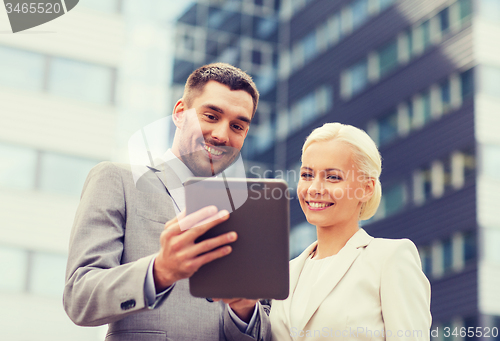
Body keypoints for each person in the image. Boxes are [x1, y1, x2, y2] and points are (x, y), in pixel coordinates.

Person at [64, 63, 271, 341]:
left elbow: (265, 331)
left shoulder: (249, 211)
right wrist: (160, 271)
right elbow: (80, 298)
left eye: (237, 126)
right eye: (210, 116)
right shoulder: (117, 180)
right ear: (180, 113)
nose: (222, 135)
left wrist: (245, 310)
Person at [270, 123, 431, 340]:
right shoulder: (284, 274)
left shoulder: (389, 259)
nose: (314, 188)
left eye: (333, 177)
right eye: (307, 175)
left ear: (366, 188)